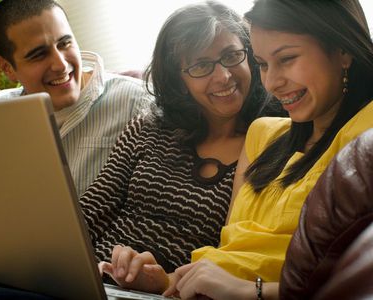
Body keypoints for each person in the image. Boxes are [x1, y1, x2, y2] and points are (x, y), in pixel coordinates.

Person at [100, 0, 373, 299]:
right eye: (264, 64)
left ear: (342, 50)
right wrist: (162, 282)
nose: (272, 83)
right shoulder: (263, 134)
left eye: (287, 58)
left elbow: (352, 285)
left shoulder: (366, 132)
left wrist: (249, 291)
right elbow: (231, 255)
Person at [80, 0, 285, 293]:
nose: (223, 76)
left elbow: (240, 253)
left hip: (175, 291)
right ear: (179, 79)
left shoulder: (270, 139)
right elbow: (91, 210)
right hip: (94, 278)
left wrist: (163, 279)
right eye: (201, 65)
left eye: (231, 56)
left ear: (250, 56)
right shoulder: (148, 126)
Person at [0, 0, 152, 197]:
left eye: (65, 43)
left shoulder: (137, 102)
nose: (61, 65)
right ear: (6, 67)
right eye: (38, 55)